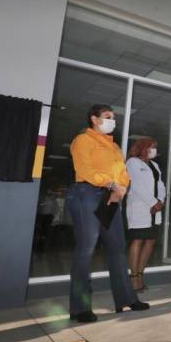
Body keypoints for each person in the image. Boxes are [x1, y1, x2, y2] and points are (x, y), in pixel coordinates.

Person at [67, 104, 149, 323]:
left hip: (112, 196)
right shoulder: (83, 140)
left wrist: (120, 188)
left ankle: (126, 299)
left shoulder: (114, 147)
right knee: (86, 249)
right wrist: (112, 184)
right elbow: (85, 170)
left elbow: (123, 173)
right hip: (86, 194)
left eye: (113, 117)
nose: (112, 120)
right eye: (107, 116)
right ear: (94, 119)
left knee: (117, 249)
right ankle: (80, 308)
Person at [126, 137, 166, 292]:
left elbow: (161, 185)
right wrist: (153, 202)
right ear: (142, 147)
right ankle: (133, 277)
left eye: (155, 147)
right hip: (140, 207)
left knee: (150, 241)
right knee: (138, 240)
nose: (154, 150)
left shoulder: (155, 165)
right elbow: (137, 185)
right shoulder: (133, 162)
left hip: (154, 209)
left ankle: (140, 274)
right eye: (151, 146)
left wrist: (160, 201)